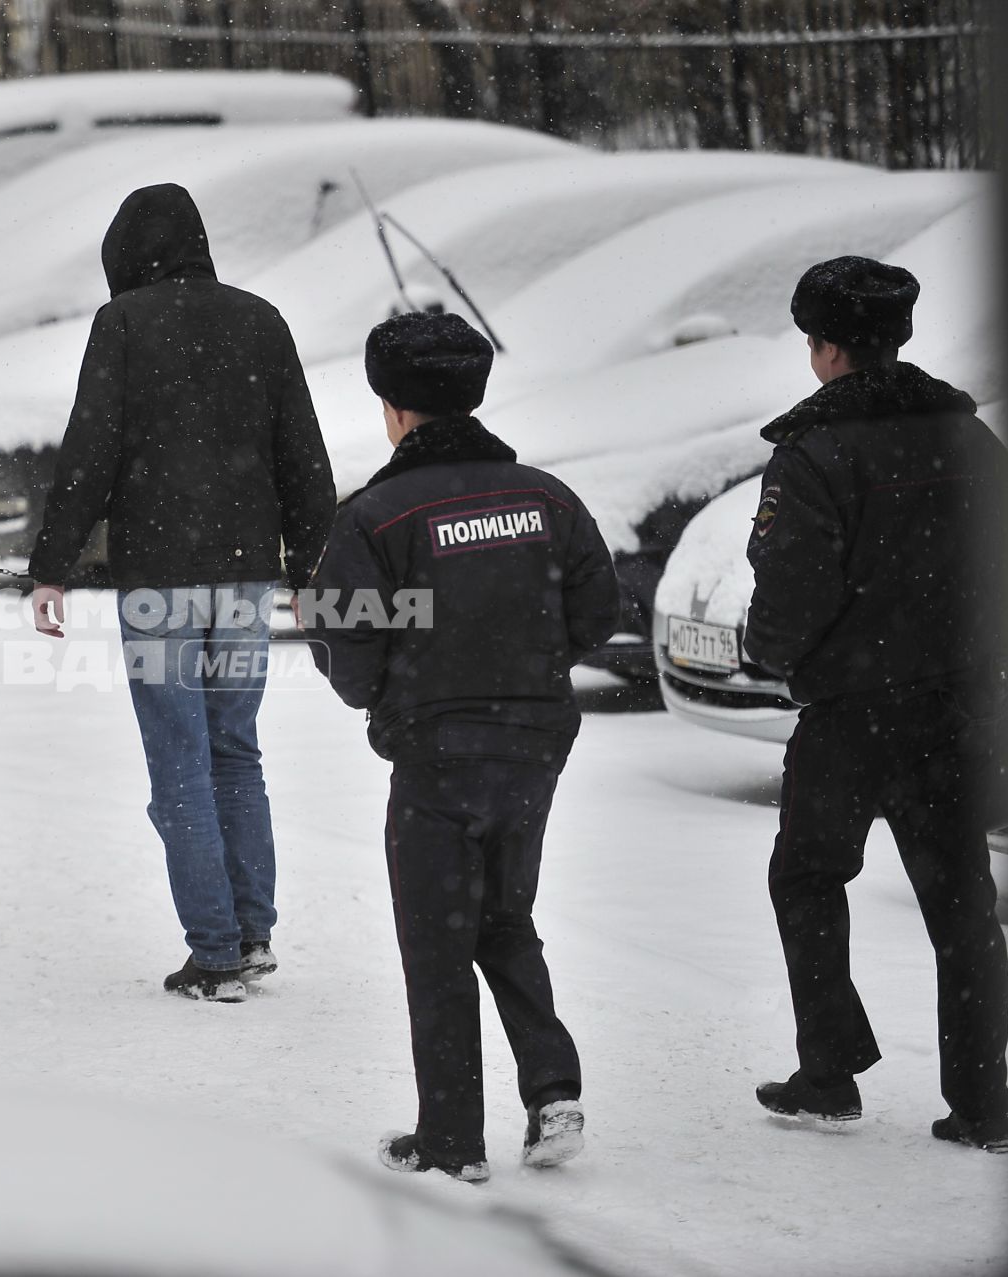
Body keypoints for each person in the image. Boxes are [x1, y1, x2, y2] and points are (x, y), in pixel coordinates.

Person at [307, 312, 618, 1183]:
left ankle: (450, 1140)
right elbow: (596, 614)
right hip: (534, 748)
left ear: (393, 408)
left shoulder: (375, 516)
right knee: (504, 919)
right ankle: (553, 1091)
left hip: (437, 754)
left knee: (437, 940)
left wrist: (397, 696)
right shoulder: (549, 499)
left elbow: (343, 643)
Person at [28, 184, 335, 1003]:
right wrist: (309, 568)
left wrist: (51, 563)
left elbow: (90, 448)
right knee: (236, 747)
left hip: (159, 578)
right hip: (243, 574)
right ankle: (253, 929)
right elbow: (302, 451)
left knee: (180, 758)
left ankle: (215, 952)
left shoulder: (123, 324)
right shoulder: (260, 319)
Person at [744, 256, 1008, 1153]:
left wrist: (773, 656)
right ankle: (985, 1102)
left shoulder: (813, 453)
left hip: (851, 712)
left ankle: (830, 1071)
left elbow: (791, 588)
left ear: (823, 350)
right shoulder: (969, 439)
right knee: (963, 895)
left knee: (809, 876)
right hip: (957, 703)